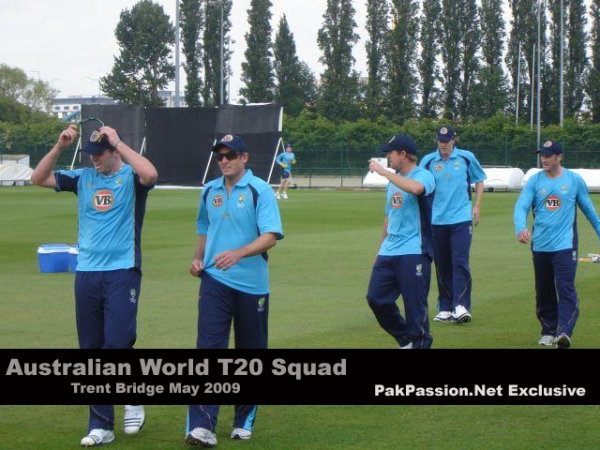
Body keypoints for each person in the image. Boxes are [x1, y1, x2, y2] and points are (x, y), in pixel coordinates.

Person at [31, 124, 157, 446]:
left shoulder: (129, 177)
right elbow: (38, 178)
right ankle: (101, 425)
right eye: (91, 154)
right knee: (90, 351)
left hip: (122, 270)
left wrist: (120, 141)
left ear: (114, 151)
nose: (94, 160)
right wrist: (59, 146)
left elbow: (151, 174)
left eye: (99, 154)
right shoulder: (83, 178)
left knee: (117, 343)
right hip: (87, 272)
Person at [187, 134, 283, 447]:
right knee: (209, 351)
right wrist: (199, 258)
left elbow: (270, 236)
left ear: (244, 158)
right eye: (220, 156)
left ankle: (243, 420)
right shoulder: (209, 191)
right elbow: (204, 227)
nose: (224, 161)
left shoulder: (260, 190)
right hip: (215, 281)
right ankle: (202, 425)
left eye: (230, 155)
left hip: (252, 285)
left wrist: (238, 253)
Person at [514, 141, 600, 349]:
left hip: (565, 245)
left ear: (559, 157)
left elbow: (588, 209)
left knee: (565, 287)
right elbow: (521, 206)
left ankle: (564, 332)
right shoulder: (535, 181)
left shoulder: (573, 180)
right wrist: (520, 227)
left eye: (548, 155)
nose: (544, 159)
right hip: (540, 245)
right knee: (544, 290)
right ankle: (548, 330)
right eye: (542, 155)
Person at [366, 134, 435, 349]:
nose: (388, 157)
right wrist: (379, 250)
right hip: (389, 252)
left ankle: (420, 344)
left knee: (415, 308)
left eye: (390, 153)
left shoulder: (425, 175)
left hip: (414, 250)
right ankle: (405, 340)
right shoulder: (393, 181)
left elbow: (416, 189)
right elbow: (390, 216)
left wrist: (383, 172)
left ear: (403, 154)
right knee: (376, 299)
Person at [419, 125, 486, 323]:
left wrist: (477, 206)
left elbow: (479, 180)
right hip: (436, 220)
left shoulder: (466, 157)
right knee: (442, 264)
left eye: (447, 141)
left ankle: (461, 305)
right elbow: (419, 185)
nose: (444, 145)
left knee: (460, 261)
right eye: (441, 141)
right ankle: (445, 307)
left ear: (453, 140)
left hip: (461, 218)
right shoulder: (429, 161)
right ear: (437, 141)